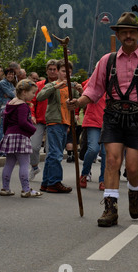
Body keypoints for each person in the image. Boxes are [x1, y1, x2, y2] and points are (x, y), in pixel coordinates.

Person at [67, 11, 138, 227]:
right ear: (118, 35)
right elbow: (93, 90)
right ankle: (110, 208)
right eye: (124, 32)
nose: (128, 36)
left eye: (132, 32)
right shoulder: (107, 60)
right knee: (112, 161)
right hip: (112, 115)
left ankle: (134, 192)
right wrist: (79, 103)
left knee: (132, 167)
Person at [37, 59, 82, 194]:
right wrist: (55, 87)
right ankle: (55, 182)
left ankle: (46, 183)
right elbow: (39, 97)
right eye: (63, 71)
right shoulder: (52, 85)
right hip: (54, 121)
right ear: (58, 72)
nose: (66, 74)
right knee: (56, 154)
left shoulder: (71, 87)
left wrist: (80, 91)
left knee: (52, 154)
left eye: (68, 72)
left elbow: (79, 103)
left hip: (65, 122)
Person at [0, 79, 42, 198]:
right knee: (24, 164)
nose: (34, 95)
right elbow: (22, 123)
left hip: (10, 135)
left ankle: (5, 188)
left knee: (9, 163)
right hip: (21, 136)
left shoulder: (10, 103)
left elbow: (5, 121)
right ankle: (26, 189)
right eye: (32, 92)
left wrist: (7, 133)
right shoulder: (23, 106)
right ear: (24, 92)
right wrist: (33, 129)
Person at [29, 59, 59, 181]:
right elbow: (31, 101)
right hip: (39, 120)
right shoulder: (39, 85)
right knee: (33, 146)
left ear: (58, 71)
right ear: (46, 71)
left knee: (50, 150)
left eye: (54, 69)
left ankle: (47, 175)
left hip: (54, 121)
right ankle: (35, 167)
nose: (52, 71)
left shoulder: (61, 85)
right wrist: (32, 115)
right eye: (50, 69)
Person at [79, 77, 106, 190]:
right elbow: (85, 93)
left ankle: (103, 180)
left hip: (108, 122)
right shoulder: (93, 82)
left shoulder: (114, 83)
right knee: (93, 149)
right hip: (93, 120)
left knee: (105, 153)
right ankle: (84, 174)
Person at [0, 68, 16, 156]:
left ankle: (3, 149)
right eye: (9, 74)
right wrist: (12, 94)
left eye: (12, 74)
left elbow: (13, 93)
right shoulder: (3, 82)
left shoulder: (11, 83)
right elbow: (13, 94)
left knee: (6, 128)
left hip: (10, 106)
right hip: (4, 106)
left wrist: (11, 94)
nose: (11, 76)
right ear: (5, 74)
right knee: (2, 128)